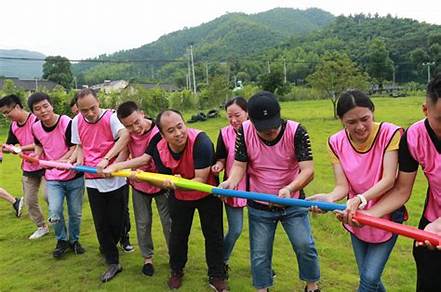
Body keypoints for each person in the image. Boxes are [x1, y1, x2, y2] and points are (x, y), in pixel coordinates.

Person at [219, 91, 320, 292]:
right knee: (260, 253)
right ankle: (262, 289)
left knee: (304, 245)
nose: (270, 131)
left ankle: (311, 286)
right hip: (259, 204)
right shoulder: (245, 131)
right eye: (264, 129)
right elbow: (240, 166)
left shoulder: (297, 131)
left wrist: (290, 189)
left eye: (274, 126)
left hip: (293, 202)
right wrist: (230, 182)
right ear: (252, 120)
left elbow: (308, 170)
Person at [308, 90, 404, 292]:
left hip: (386, 214)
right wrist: (330, 199)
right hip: (354, 215)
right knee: (370, 278)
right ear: (341, 120)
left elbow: (389, 180)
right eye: (351, 122)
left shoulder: (390, 133)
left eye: (365, 119)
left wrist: (360, 198)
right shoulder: (335, 142)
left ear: (373, 113)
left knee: (369, 278)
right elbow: (342, 186)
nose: (360, 127)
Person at [359, 74, 441, 292]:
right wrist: (370, 214)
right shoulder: (414, 136)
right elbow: (402, 190)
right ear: (425, 110)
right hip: (432, 227)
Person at [146, 109, 228, 291]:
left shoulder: (202, 141)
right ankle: (176, 271)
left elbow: (199, 179)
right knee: (178, 235)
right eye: (171, 131)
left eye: (180, 126)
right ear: (162, 135)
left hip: (207, 193)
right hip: (180, 196)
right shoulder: (159, 149)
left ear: (185, 123)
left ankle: (217, 275)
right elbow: (164, 180)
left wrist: (174, 183)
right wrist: (163, 182)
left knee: (213, 235)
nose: (178, 133)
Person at [103, 101, 171, 277]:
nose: (135, 128)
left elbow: (145, 159)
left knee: (168, 224)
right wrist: (114, 166)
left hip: (161, 183)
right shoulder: (128, 134)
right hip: (139, 184)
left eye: (136, 122)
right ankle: (147, 258)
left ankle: (174, 256)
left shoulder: (157, 131)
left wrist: (116, 167)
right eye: (128, 126)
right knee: (143, 223)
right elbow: (124, 152)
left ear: (142, 113)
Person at [71, 88, 130, 282]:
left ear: (98, 102)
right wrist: (79, 162)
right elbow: (80, 145)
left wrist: (107, 160)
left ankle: (111, 244)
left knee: (117, 221)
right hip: (92, 179)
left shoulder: (110, 118)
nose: (89, 113)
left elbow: (125, 137)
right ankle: (113, 261)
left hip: (115, 178)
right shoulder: (76, 122)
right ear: (78, 109)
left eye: (92, 108)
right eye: (84, 110)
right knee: (100, 222)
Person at [28, 92, 85, 259]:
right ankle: (61, 240)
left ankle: (74, 241)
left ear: (51, 105)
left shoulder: (67, 122)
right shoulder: (36, 127)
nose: (43, 111)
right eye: (37, 109)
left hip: (74, 176)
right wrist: (37, 156)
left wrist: (62, 161)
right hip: (53, 177)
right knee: (54, 210)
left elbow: (76, 147)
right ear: (33, 112)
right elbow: (39, 145)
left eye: (45, 106)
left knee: (75, 213)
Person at [0, 94, 49, 239]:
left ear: (17, 107)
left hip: (45, 164)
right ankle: (42, 226)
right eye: (3, 113)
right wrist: (8, 149)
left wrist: (21, 149)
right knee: (29, 200)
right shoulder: (14, 126)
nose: (6, 116)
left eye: (7, 112)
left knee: (49, 196)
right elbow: (11, 145)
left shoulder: (36, 120)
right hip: (28, 168)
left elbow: (42, 143)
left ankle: (59, 222)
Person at [211, 96, 248, 272]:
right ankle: (221, 260)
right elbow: (221, 157)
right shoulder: (224, 133)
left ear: (247, 113)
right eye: (229, 116)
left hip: (257, 186)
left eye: (237, 115)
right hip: (232, 186)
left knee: (261, 233)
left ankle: (261, 266)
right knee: (235, 229)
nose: (233, 120)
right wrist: (218, 165)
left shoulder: (257, 131)